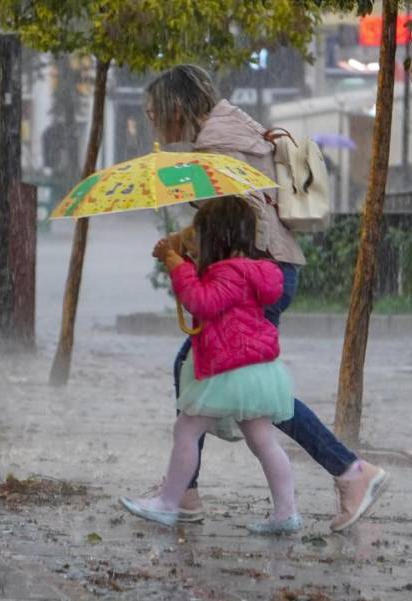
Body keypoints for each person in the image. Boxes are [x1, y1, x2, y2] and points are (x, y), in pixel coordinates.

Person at [144, 64, 389, 532]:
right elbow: (242, 214)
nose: (155, 122)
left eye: (157, 113)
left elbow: (237, 221)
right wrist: (185, 240)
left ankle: (350, 471)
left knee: (254, 390)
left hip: (257, 277)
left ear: (179, 107)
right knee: (235, 382)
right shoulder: (236, 128)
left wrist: (180, 248)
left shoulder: (217, 144)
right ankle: (186, 491)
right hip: (271, 269)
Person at [120, 197, 301, 534]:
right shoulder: (252, 270)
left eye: (200, 235)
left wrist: (176, 264)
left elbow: (202, 301)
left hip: (229, 369)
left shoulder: (229, 272)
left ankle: (168, 503)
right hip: (259, 368)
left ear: (216, 238)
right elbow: (212, 289)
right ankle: (286, 512)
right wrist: (179, 254)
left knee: (186, 430)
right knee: (262, 439)